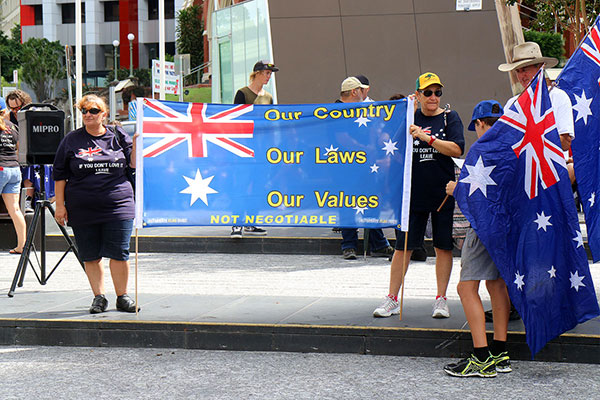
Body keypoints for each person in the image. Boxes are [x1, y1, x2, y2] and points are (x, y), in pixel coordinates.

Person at [488, 41, 574, 323]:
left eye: (527, 69)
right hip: (521, 184)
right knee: (520, 244)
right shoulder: (513, 103)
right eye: (519, 70)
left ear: (540, 68)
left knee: (551, 243)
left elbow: (563, 139)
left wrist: (526, 146)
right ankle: (518, 301)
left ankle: (554, 303)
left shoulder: (558, 97)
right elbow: (503, 144)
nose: (523, 75)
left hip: (549, 183)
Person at [373, 72, 464, 318]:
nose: (433, 97)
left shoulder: (449, 117)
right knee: (403, 247)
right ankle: (392, 298)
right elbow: (388, 143)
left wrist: (427, 137)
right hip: (412, 194)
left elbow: (457, 148)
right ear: (419, 95)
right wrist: (408, 113)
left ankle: (441, 299)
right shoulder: (408, 117)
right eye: (428, 92)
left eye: (437, 92)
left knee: (442, 247)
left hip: (443, 192)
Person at [443, 100, 511, 378]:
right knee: (497, 285)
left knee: (466, 288)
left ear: (481, 124)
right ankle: (500, 351)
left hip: (483, 227)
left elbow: (473, 195)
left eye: (477, 126)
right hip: (506, 227)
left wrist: (455, 188)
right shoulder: (513, 148)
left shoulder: (481, 149)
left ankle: (481, 356)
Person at [53, 94, 139, 314]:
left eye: (93, 110)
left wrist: (137, 142)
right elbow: (60, 175)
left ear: (104, 114)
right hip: (82, 206)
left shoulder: (117, 135)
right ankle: (99, 297)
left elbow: (134, 163)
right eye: (84, 111)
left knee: (119, 252)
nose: (88, 115)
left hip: (118, 203)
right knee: (90, 254)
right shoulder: (71, 140)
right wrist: (60, 206)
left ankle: (123, 296)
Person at [335, 76, 394, 260]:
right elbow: (342, 139)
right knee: (347, 203)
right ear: (355, 92)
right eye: (362, 90)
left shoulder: (364, 110)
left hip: (367, 165)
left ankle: (378, 243)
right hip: (345, 166)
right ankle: (349, 245)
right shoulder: (336, 111)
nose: (364, 94)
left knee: (371, 202)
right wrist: (365, 149)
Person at [230, 60, 278, 238]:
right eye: (266, 73)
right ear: (257, 73)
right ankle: (237, 223)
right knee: (242, 185)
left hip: (262, 148)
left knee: (258, 185)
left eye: (270, 74)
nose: (268, 77)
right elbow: (236, 120)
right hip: (245, 148)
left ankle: (251, 221)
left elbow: (271, 122)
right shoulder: (242, 94)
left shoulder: (268, 97)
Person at [0, 97, 26, 254]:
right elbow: (19, 148)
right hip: (14, 170)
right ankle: (21, 246)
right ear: (5, 111)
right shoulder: (12, 127)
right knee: (15, 210)